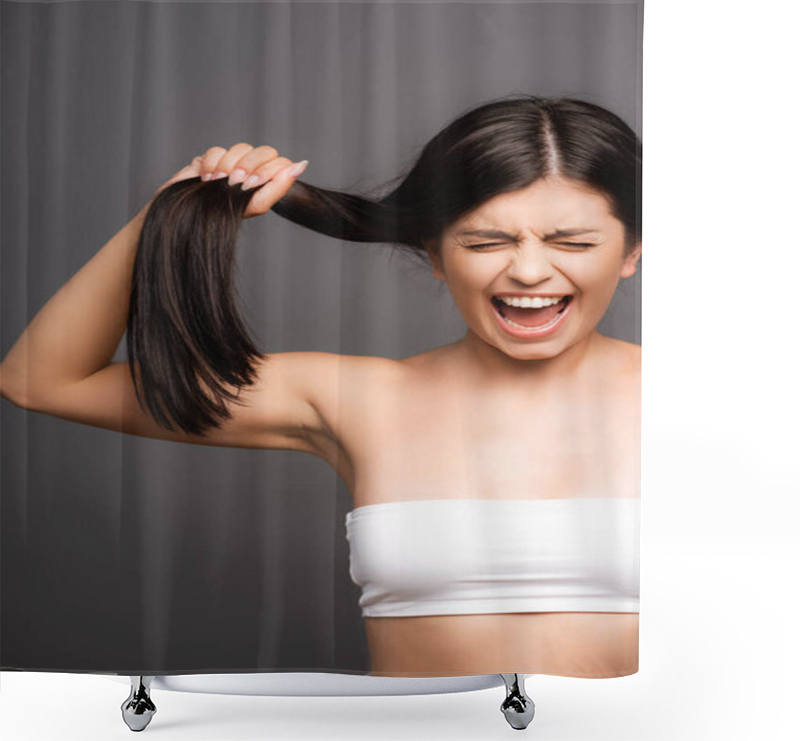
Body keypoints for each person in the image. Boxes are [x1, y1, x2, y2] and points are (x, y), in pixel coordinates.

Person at [0, 95, 642, 679]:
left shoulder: (705, 399)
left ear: (631, 251)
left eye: (574, 241)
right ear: (435, 255)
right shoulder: (357, 400)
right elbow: (44, 380)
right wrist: (171, 208)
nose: (529, 270)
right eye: (485, 241)